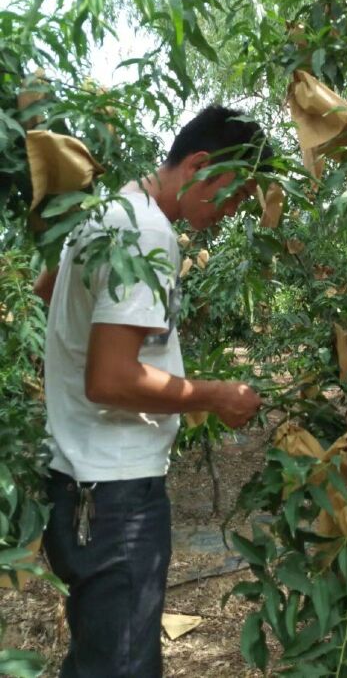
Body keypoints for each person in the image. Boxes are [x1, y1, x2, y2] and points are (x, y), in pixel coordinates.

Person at [33, 106, 268, 678]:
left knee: (97, 659)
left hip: (74, 486)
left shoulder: (106, 211)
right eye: (236, 195)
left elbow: (47, 291)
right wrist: (213, 394)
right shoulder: (147, 233)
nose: (233, 212)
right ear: (200, 165)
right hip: (117, 501)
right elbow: (109, 380)